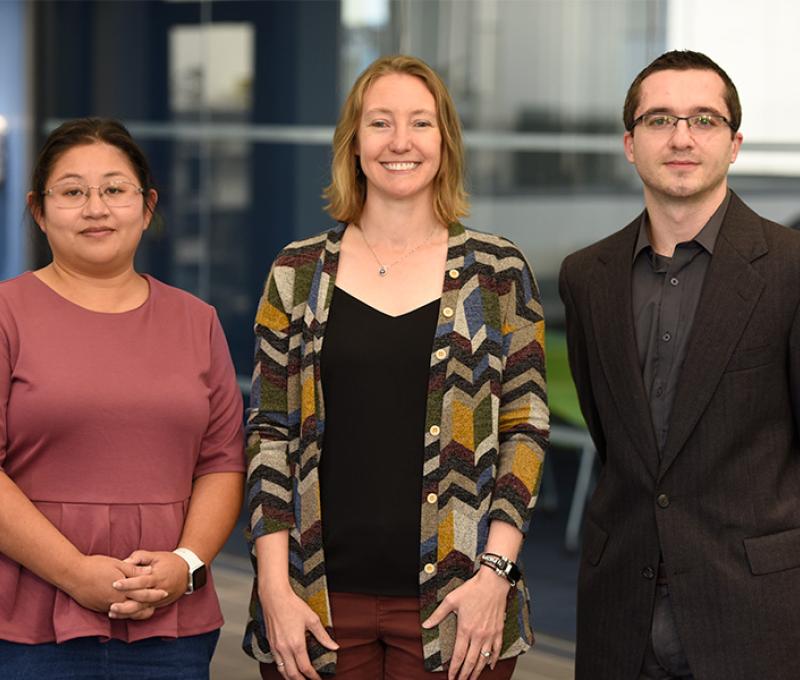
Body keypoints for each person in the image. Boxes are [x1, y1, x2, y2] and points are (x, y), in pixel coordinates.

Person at [242, 55, 548, 680]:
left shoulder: (498, 271)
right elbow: (268, 433)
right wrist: (274, 586)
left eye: (421, 124)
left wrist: (496, 575)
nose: (400, 142)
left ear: (445, 143)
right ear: (354, 145)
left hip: (459, 603)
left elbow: (526, 427)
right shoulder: (297, 273)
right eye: (380, 123)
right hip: (315, 601)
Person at [559, 50, 800, 680]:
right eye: (660, 119)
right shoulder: (587, 277)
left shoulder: (791, 270)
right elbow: (612, 437)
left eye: (704, 120)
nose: (682, 137)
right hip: (621, 610)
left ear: (735, 142)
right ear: (630, 143)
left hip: (754, 613)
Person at [0, 118, 245, 679]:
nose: (96, 208)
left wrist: (184, 564)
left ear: (147, 204)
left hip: (172, 625)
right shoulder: (6, 315)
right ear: (39, 210)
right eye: (73, 192)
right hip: (27, 626)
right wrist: (72, 572)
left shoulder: (196, 321)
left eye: (114, 189)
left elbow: (222, 462)